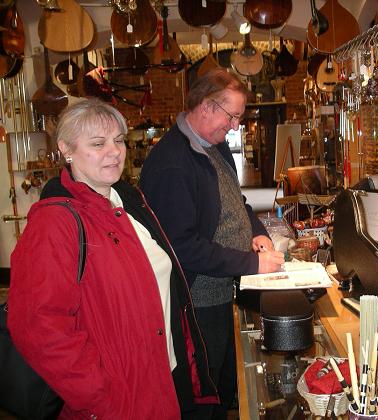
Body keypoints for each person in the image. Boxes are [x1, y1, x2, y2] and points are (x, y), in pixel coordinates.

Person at [8, 99, 218, 419]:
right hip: (116, 399)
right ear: (66, 149)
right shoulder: (54, 223)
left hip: (163, 375)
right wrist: (99, 397)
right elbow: (39, 328)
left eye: (118, 140)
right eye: (97, 143)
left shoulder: (128, 199)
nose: (115, 151)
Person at [139, 68, 285, 419]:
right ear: (205, 106)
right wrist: (253, 264)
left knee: (224, 383)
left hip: (223, 291)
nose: (235, 126)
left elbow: (239, 202)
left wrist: (257, 231)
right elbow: (182, 246)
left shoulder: (215, 147)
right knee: (203, 395)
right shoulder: (172, 163)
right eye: (232, 116)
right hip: (196, 303)